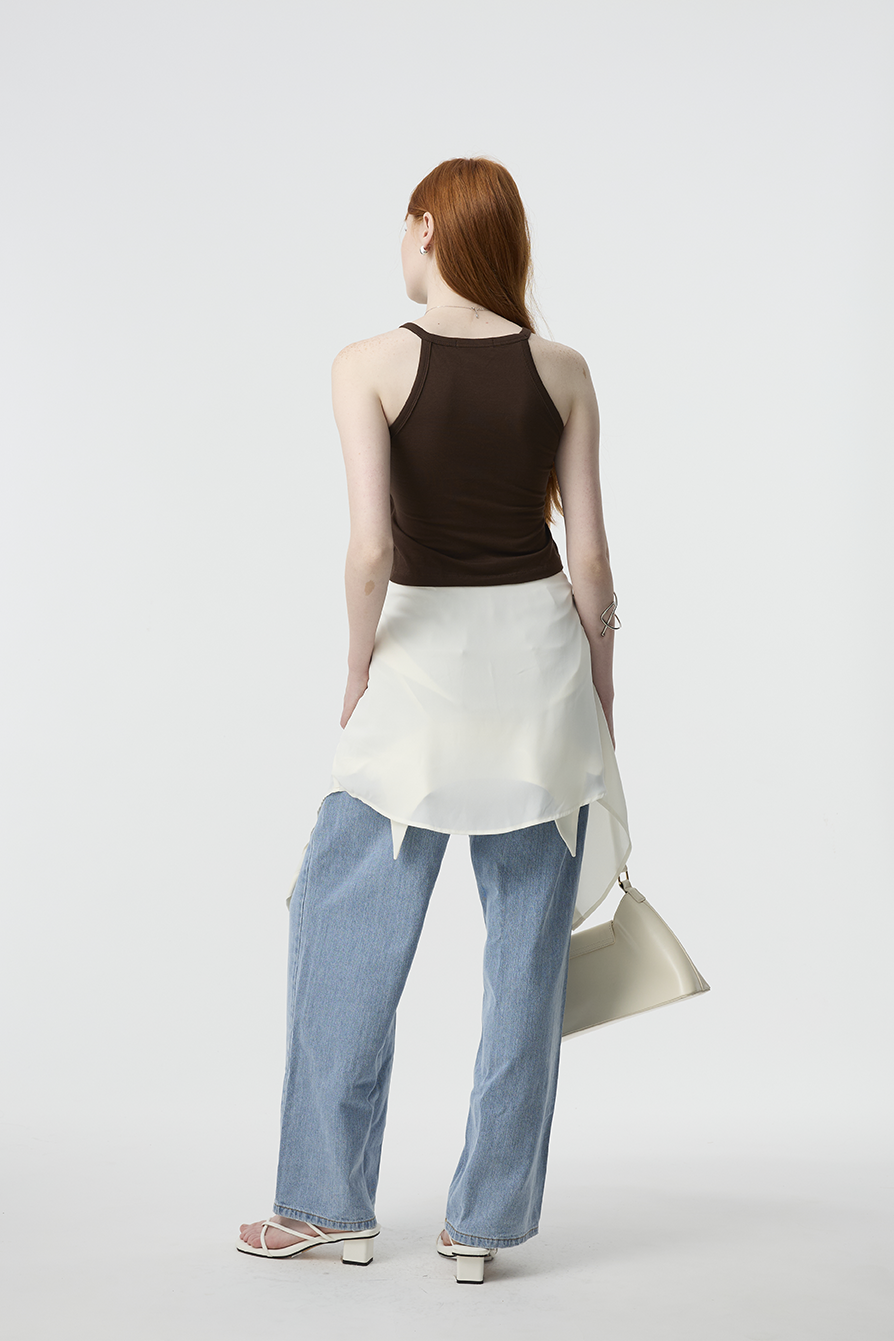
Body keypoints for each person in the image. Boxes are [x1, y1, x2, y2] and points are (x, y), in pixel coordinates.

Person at [237, 156, 631, 1284]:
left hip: (418, 671)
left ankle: (326, 1205)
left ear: (424, 229)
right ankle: (483, 1226)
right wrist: (603, 687)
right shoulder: (564, 368)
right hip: (539, 673)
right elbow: (592, 563)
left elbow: (370, 549)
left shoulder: (366, 363)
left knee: (342, 923)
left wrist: (356, 666)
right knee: (527, 958)